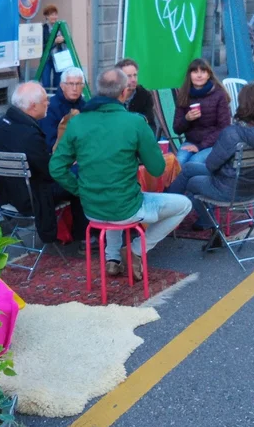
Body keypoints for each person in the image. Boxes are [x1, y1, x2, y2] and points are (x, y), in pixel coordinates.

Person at [50, 69, 192, 278]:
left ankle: (112, 258)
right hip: (126, 207)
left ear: (97, 90)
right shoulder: (134, 122)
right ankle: (135, 250)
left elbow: (56, 167)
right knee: (183, 205)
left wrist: (79, 189)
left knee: (116, 194)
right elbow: (157, 169)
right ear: (124, 92)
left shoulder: (77, 122)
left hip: (92, 208)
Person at [166, 82, 254, 236]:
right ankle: (176, 210)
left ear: (243, 105)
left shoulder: (233, 133)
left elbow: (211, 165)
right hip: (253, 189)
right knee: (189, 168)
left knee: (192, 181)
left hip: (227, 190)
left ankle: (175, 213)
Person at [0, 82, 88, 248]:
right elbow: (51, 172)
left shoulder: (1, 124)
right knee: (80, 177)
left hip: (6, 194)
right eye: (44, 101)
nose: (48, 103)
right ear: (33, 106)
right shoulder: (28, 134)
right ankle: (83, 235)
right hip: (30, 197)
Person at [172, 59, 231, 167]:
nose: (199, 75)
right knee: (178, 164)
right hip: (191, 141)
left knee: (193, 163)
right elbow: (177, 129)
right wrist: (186, 119)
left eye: (203, 72)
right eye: (195, 72)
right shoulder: (184, 95)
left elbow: (224, 127)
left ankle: (191, 184)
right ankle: (177, 184)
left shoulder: (219, 94)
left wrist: (200, 146)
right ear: (189, 75)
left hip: (214, 144)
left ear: (209, 75)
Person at [39, 67, 86, 151]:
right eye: (70, 84)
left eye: (78, 84)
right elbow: (50, 141)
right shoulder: (50, 107)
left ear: (83, 86)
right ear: (62, 86)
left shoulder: (84, 106)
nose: (74, 88)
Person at [116, 58, 158, 135]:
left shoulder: (144, 95)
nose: (133, 80)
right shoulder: (112, 96)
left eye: (135, 75)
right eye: (129, 76)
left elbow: (150, 125)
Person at [40, 4, 66, 89]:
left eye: (55, 14)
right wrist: (55, 42)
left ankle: (56, 100)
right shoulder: (43, 29)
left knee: (57, 82)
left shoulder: (61, 27)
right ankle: (46, 100)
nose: (54, 17)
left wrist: (64, 39)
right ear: (46, 16)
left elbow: (68, 39)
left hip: (59, 58)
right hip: (46, 59)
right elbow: (41, 46)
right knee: (46, 83)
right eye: (51, 15)